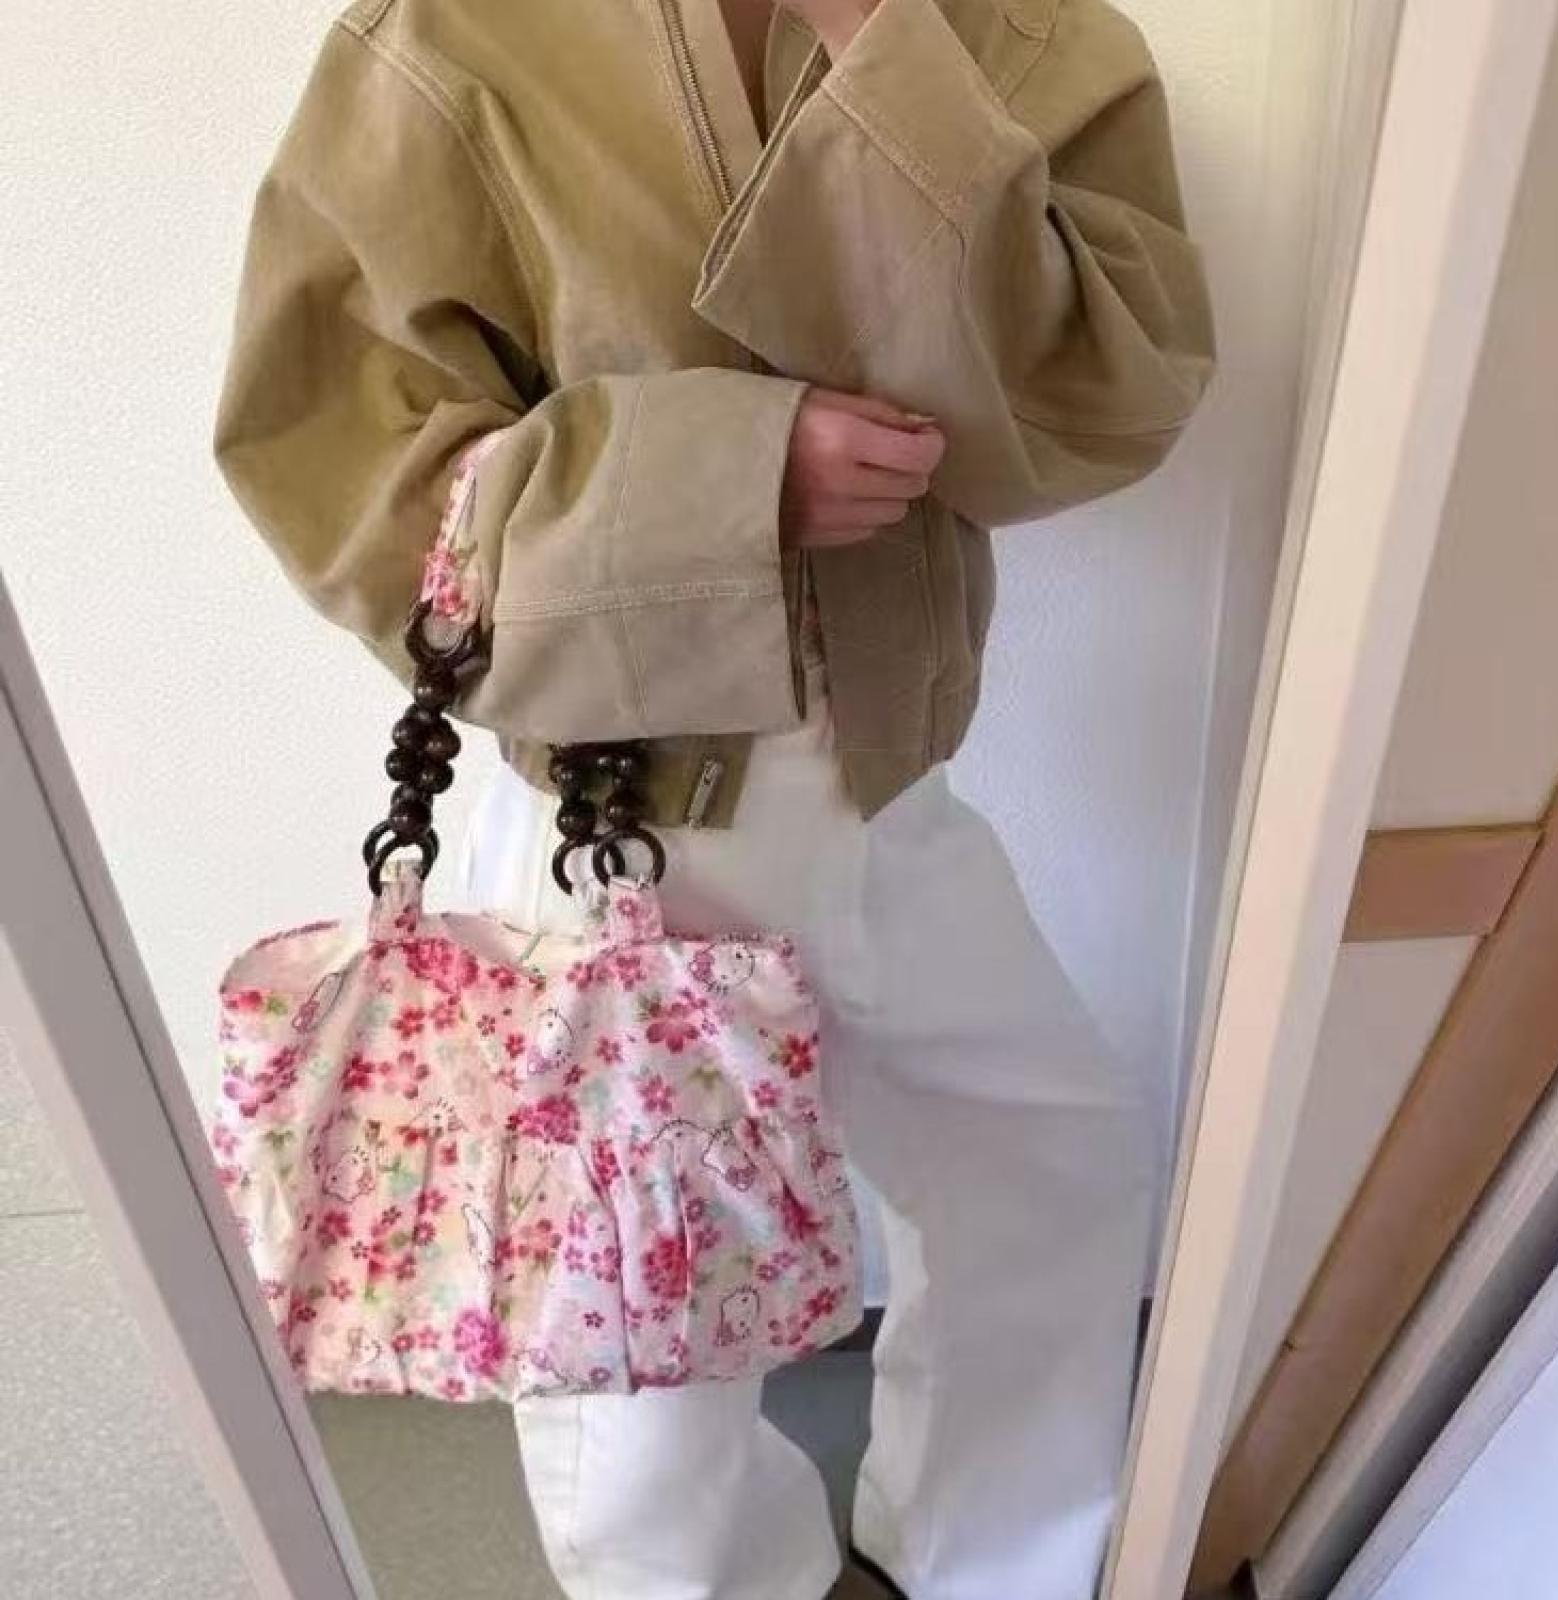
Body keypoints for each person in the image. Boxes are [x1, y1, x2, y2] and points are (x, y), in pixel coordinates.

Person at [213, 0, 1215, 1594]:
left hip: (887, 781)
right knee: (640, 1354)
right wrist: (728, 479)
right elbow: (347, 470)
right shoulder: (454, 40)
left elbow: (1107, 390)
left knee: (1046, 1167)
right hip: (626, 824)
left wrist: (896, 63)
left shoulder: (1012, 29)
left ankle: (990, 1561)